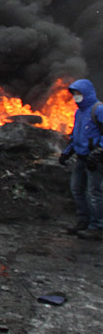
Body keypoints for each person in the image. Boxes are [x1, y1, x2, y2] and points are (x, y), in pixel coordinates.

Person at [59, 78, 103, 240]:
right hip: (81, 157)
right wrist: (67, 152)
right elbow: (76, 136)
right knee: (77, 189)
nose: (76, 96)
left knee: (94, 192)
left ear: (87, 92)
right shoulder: (79, 112)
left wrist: (99, 152)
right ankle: (83, 221)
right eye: (74, 93)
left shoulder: (98, 110)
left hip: (96, 160)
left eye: (78, 93)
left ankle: (97, 227)